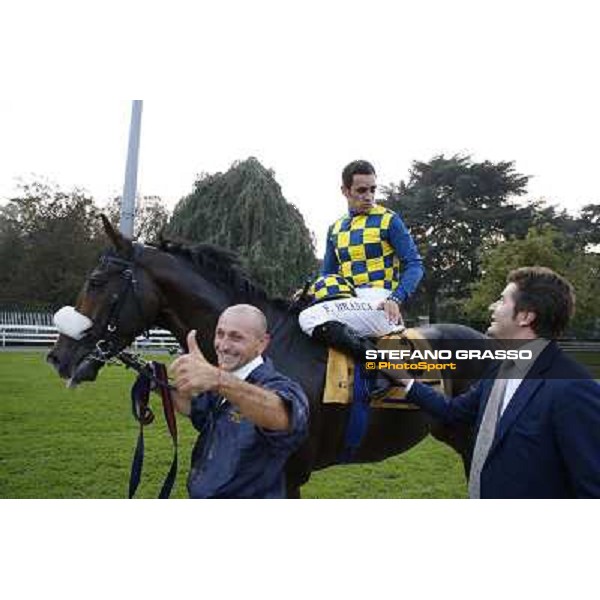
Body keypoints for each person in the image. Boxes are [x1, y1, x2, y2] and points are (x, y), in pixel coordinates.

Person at [396, 266, 600, 498]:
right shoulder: (499, 368)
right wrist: (405, 379)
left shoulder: (573, 387)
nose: (492, 307)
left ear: (525, 316)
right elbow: (453, 411)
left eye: (502, 301)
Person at [169, 304, 309, 499]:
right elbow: (198, 411)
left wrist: (218, 379)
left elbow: (284, 417)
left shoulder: (280, 387)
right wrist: (156, 382)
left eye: (236, 337)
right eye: (220, 334)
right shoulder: (227, 382)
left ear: (262, 343)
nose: (223, 345)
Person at [298, 159, 424, 364]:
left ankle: (377, 364)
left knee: (307, 318)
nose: (369, 197)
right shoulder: (335, 229)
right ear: (345, 191)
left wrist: (396, 298)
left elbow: (415, 265)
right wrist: (309, 291)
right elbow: (328, 276)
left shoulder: (389, 220)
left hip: (380, 303)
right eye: (362, 190)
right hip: (348, 303)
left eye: (373, 189)